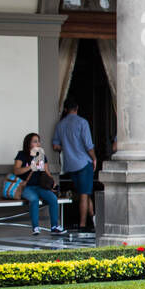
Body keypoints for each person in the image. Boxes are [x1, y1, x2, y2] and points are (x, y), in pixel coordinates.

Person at [51, 97, 96, 232]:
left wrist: (67, 147)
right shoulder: (82, 122)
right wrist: (94, 158)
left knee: (85, 193)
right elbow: (88, 145)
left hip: (70, 164)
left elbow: (55, 145)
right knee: (84, 193)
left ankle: (94, 219)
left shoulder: (60, 125)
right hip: (83, 162)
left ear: (65, 110)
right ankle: (83, 225)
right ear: (77, 108)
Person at [12, 133, 63, 235]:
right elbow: (16, 171)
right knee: (34, 200)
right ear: (29, 143)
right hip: (27, 186)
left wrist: (52, 182)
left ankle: (54, 226)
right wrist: (31, 166)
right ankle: (35, 228)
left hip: (40, 186)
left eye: (38, 141)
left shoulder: (41, 155)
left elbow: (47, 172)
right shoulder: (22, 154)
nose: (38, 143)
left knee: (53, 199)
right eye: (35, 141)